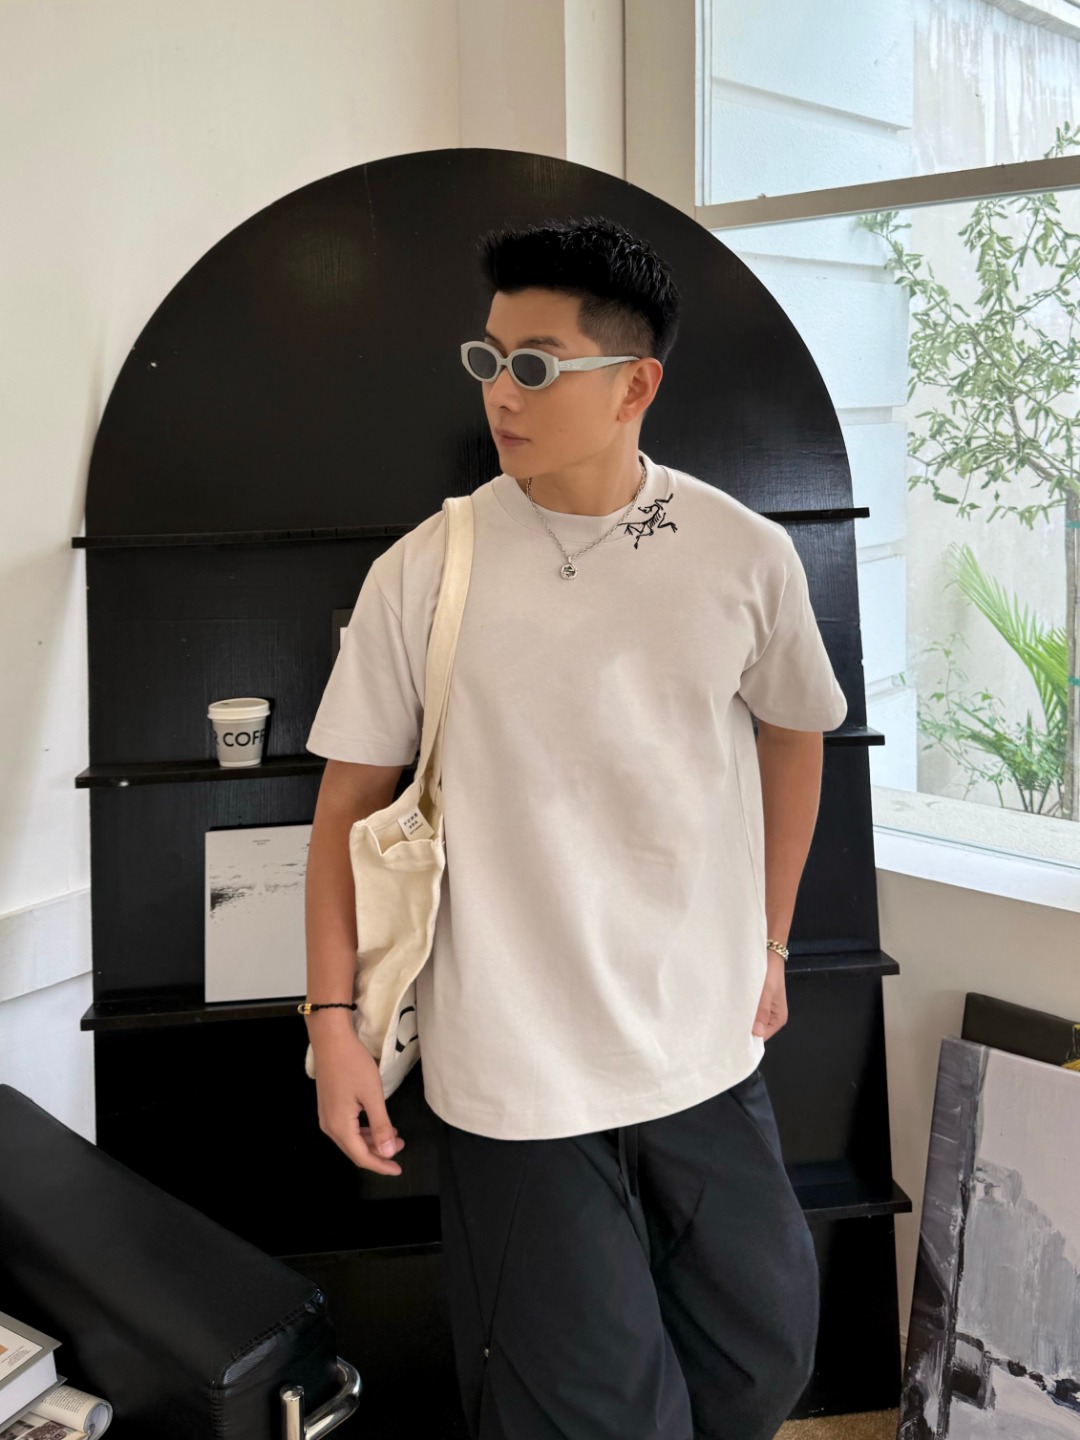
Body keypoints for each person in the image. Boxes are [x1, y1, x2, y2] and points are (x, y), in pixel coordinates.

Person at [302, 215, 849, 1440]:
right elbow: (345, 807)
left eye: (537, 365)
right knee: (590, 1410)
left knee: (763, 1355)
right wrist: (333, 1025)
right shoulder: (424, 570)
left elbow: (796, 733)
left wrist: (770, 940)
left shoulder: (742, 553)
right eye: (489, 359)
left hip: (701, 1039)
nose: (501, 392)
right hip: (514, 1071)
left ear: (634, 386)